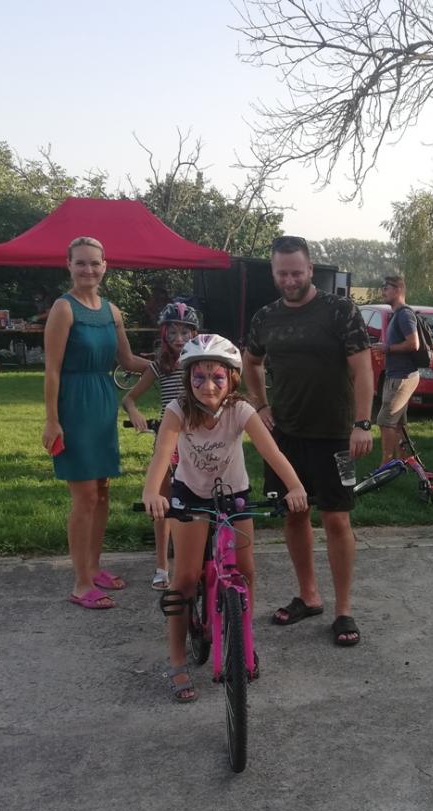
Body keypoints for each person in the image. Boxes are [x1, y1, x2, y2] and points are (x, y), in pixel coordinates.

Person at [141, 333, 308, 703]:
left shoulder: (241, 410)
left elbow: (272, 452)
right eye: (198, 377)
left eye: (217, 377)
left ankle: (244, 641)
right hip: (190, 494)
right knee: (185, 579)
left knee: (245, 571)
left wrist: (295, 486)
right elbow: (162, 454)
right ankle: (177, 659)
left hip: (233, 494)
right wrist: (152, 492)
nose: (208, 386)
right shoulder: (178, 411)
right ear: (188, 379)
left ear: (231, 379)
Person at [243, 235, 374, 647]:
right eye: (282, 273)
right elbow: (251, 361)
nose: (289, 280)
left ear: (310, 269)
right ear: (273, 272)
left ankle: (343, 609)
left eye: (296, 272)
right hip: (285, 436)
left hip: (335, 435)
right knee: (294, 515)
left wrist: (362, 423)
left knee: (337, 518)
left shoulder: (339, 310)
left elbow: (363, 370)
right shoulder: (265, 317)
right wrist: (260, 405)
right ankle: (309, 595)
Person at [42, 236, 151, 609]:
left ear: (105, 266)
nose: (88, 269)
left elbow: (128, 361)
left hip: (103, 401)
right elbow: (52, 370)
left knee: (102, 490)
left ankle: (93, 566)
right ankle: (80, 583)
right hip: (74, 404)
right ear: (69, 265)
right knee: (85, 495)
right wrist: (52, 420)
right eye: (81, 263)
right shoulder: (63, 309)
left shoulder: (112, 311)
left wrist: (170, 362)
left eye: (94, 263)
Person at [121, 301, 202, 590]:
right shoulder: (160, 366)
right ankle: (161, 566)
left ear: (194, 334)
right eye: (173, 333)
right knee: (162, 502)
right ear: (164, 334)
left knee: (198, 501)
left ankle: (197, 560)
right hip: (168, 440)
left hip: (198, 439)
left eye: (185, 332)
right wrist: (134, 412)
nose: (179, 339)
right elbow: (129, 397)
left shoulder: (201, 362)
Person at [370, 275, 420, 465]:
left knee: (385, 421)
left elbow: (413, 344)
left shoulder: (405, 314)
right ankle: (406, 460)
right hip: (397, 375)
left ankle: (386, 464)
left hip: (402, 377)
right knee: (398, 423)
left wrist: (388, 348)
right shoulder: (397, 315)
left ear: (398, 289)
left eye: (386, 287)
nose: (383, 291)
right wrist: (386, 349)